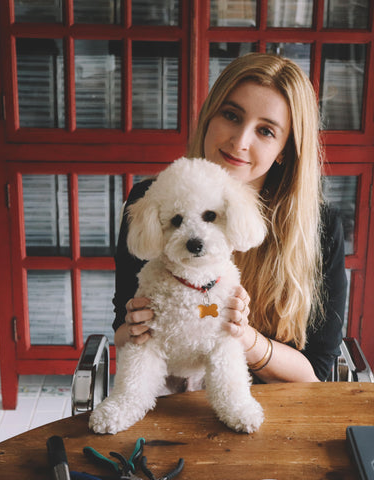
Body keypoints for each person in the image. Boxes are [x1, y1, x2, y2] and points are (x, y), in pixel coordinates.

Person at [112, 53, 347, 383]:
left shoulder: (320, 229)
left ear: (284, 150)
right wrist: (136, 328)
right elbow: (120, 334)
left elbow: (316, 375)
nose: (240, 141)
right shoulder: (151, 202)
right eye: (232, 116)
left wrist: (245, 339)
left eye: (265, 131)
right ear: (210, 116)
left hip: (272, 408)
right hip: (169, 398)